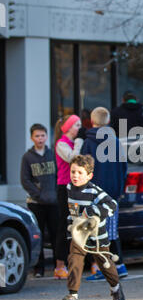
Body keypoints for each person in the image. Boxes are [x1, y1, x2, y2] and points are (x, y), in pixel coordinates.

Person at [60, 154, 125, 300]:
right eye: (73, 172)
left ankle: (115, 288)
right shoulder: (69, 188)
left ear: (89, 176)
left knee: (104, 264)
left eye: (80, 173)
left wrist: (91, 211)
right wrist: (71, 224)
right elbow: (73, 211)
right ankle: (73, 295)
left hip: (97, 236)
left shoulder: (94, 191)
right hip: (79, 234)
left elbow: (112, 205)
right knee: (74, 260)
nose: (75, 176)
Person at [81, 107, 128, 280]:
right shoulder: (115, 142)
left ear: (91, 122)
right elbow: (124, 168)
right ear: (108, 121)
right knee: (112, 232)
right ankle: (120, 265)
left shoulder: (88, 143)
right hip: (112, 194)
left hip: (94, 194)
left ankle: (103, 269)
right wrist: (119, 190)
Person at [20, 123, 58, 277]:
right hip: (36, 204)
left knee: (56, 235)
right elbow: (25, 180)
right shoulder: (27, 157)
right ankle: (39, 268)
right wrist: (39, 195)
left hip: (53, 202)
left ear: (46, 136)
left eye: (42, 135)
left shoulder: (52, 154)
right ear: (31, 138)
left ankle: (59, 265)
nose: (40, 139)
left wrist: (55, 194)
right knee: (39, 236)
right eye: (37, 136)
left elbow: (58, 176)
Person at [54, 114, 85, 279]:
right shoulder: (61, 144)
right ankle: (59, 264)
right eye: (76, 125)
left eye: (80, 125)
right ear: (67, 128)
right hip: (65, 188)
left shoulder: (74, 143)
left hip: (77, 186)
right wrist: (79, 142)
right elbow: (73, 158)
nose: (79, 128)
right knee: (63, 225)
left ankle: (78, 262)